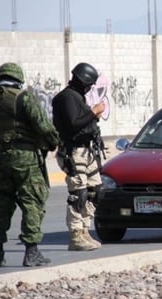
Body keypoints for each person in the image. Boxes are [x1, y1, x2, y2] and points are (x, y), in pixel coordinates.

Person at [0, 62, 60, 267]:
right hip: (25, 159)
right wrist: (52, 143)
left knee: (2, 205)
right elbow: (44, 127)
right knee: (33, 202)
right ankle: (31, 252)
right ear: (18, 80)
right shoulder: (24, 98)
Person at [52, 62, 106, 251]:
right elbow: (74, 124)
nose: (89, 88)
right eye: (89, 85)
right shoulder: (66, 98)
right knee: (78, 193)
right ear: (84, 81)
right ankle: (76, 235)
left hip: (86, 151)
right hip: (73, 151)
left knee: (95, 191)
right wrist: (93, 112)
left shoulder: (76, 97)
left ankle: (84, 230)